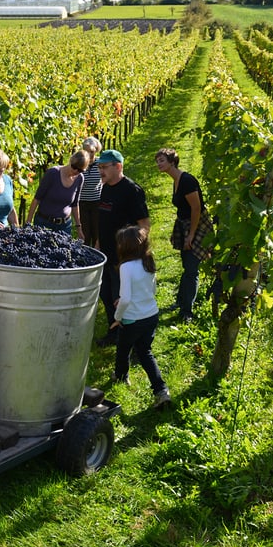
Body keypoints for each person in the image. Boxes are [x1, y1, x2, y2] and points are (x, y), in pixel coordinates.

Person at [109, 226, 171, 408]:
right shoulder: (148, 262)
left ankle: (121, 376)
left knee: (123, 348)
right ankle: (161, 390)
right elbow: (151, 290)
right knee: (145, 352)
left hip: (132, 319)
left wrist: (117, 317)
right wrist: (125, 300)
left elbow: (126, 298)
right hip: (151, 315)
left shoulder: (126, 267)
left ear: (124, 247)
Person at [95, 149, 150, 347]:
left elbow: (144, 225)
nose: (100, 171)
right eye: (99, 167)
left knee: (122, 297)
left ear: (118, 166)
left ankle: (130, 340)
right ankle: (114, 331)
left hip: (123, 257)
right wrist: (98, 245)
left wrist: (134, 254)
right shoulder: (106, 187)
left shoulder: (131, 190)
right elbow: (105, 220)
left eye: (104, 167)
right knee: (106, 294)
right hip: (106, 252)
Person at [156, 148, 212, 322]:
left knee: (191, 269)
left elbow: (196, 209)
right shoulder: (176, 180)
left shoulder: (187, 181)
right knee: (187, 265)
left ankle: (187, 311)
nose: (159, 164)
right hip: (185, 224)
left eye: (162, 160)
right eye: (157, 161)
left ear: (172, 162)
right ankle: (181, 302)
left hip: (196, 225)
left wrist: (191, 235)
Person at [26, 150, 88, 237]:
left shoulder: (80, 179)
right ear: (70, 161)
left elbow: (75, 204)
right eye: (74, 167)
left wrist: (79, 228)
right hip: (44, 223)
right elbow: (37, 198)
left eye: (80, 170)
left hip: (64, 226)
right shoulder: (53, 173)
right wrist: (28, 223)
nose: (76, 171)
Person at [77, 136, 103, 248]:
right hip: (82, 202)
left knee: (97, 231)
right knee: (85, 233)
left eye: (92, 151)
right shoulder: (80, 164)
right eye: (87, 151)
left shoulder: (101, 164)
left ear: (96, 151)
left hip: (97, 201)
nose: (90, 154)